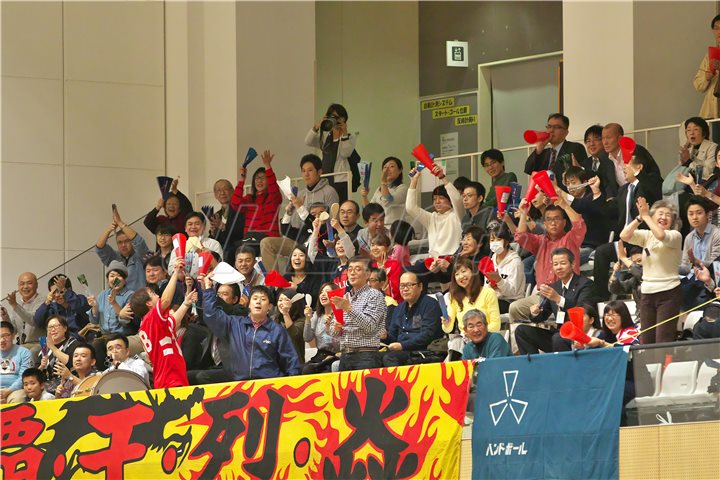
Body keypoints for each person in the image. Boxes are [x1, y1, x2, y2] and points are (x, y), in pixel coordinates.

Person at [200, 274, 300, 380]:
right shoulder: (235, 324)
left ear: (270, 307)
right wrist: (208, 289)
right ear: (249, 305)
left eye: (263, 299)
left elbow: (291, 362)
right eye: (255, 298)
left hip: (269, 384)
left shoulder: (277, 331)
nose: (258, 302)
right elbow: (212, 315)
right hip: (241, 384)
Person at [592, 153, 663, 300]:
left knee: (638, 259)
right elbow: (609, 211)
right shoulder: (623, 190)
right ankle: (601, 299)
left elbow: (654, 189)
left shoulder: (647, 185)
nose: (624, 168)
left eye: (627, 164)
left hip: (643, 239)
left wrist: (638, 173)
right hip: (625, 239)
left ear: (639, 167)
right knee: (601, 252)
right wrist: (596, 192)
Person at [509, 195, 586, 323]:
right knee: (515, 308)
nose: (553, 223)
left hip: (566, 293)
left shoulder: (570, 239)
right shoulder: (539, 241)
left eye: (557, 219)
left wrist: (565, 205)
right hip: (543, 296)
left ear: (564, 222)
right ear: (544, 224)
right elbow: (521, 237)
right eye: (549, 220)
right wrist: (523, 213)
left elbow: (579, 225)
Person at [260, 154, 339, 270]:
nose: (306, 174)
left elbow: (331, 223)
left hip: (320, 241)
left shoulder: (329, 192)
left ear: (319, 171)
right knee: (266, 243)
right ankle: (274, 280)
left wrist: (300, 207)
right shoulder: (301, 193)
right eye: (303, 171)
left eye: (310, 170)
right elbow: (290, 227)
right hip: (300, 238)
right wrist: (289, 212)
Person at [620, 198, 682, 344]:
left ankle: (666, 361)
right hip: (647, 293)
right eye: (660, 214)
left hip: (669, 292)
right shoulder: (647, 235)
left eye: (668, 215)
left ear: (673, 220)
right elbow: (624, 236)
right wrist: (640, 217)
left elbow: (661, 235)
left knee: (663, 340)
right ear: (653, 218)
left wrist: (646, 215)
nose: (663, 217)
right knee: (647, 340)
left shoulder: (675, 236)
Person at [515, 248, 596, 354]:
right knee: (521, 331)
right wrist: (535, 313)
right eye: (555, 264)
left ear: (572, 264)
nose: (559, 267)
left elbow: (582, 312)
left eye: (563, 263)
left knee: (558, 337)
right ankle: (534, 363)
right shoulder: (554, 287)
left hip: (578, 335)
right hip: (559, 335)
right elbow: (542, 316)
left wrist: (558, 299)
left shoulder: (586, 284)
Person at [130, 259, 190, 389]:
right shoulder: (150, 318)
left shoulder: (150, 323)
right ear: (148, 303)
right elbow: (166, 300)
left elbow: (173, 322)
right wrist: (175, 272)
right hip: (170, 378)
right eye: (153, 294)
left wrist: (186, 303)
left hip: (169, 377)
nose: (157, 295)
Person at [329, 256, 387, 371]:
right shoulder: (345, 296)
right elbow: (332, 331)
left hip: (366, 355)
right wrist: (335, 328)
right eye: (350, 270)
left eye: (358, 269)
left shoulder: (375, 295)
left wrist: (349, 309)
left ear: (368, 274)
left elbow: (370, 326)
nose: (352, 273)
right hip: (345, 355)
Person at [382, 272, 444, 367]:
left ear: (420, 286)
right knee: (375, 357)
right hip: (401, 351)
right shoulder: (399, 308)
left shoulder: (430, 305)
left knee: (390, 358)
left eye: (409, 285)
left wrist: (402, 346)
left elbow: (427, 335)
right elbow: (392, 337)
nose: (405, 289)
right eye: (402, 286)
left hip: (422, 351)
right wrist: (385, 336)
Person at [231, 150, 283, 254]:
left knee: (247, 250)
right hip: (250, 239)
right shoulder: (249, 199)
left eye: (263, 178)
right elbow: (235, 204)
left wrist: (267, 166)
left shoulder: (273, 198)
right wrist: (242, 180)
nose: (259, 181)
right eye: (257, 178)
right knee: (231, 251)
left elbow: (273, 187)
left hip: (267, 239)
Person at [305, 103, 359, 203]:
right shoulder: (325, 137)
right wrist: (318, 125)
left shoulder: (349, 137)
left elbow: (345, 153)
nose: (335, 120)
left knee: (340, 207)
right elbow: (308, 141)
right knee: (326, 207)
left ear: (344, 119)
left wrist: (344, 133)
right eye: (332, 117)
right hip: (324, 179)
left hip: (341, 179)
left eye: (338, 117)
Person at [86, 261, 140, 359]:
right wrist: (94, 307)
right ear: (107, 279)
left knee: (109, 349)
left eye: (119, 276)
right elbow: (94, 321)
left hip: (122, 336)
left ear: (125, 279)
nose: (115, 278)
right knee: (93, 348)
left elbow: (125, 321)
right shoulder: (103, 295)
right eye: (112, 276)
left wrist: (114, 303)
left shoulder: (130, 295)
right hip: (105, 336)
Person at [406, 166, 464, 256]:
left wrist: (442, 177)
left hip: (451, 259)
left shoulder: (456, 215)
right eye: (434, 199)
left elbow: (457, 199)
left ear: (450, 200)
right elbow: (410, 208)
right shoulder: (431, 218)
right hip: (433, 260)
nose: (437, 202)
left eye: (441, 198)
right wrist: (413, 181)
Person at [564, 167, 613, 264]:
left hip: (591, 246)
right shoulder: (571, 203)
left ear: (584, 182)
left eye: (573, 183)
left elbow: (579, 205)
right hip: (575, 245)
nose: (570, 187)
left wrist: (558, 191)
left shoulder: (591, 197)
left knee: (564, 260)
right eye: (568, 183)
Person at [96, 205, 151, 291]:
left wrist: (120, 223)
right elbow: (99, 248)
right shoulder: (114, 258)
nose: (123, 245)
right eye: (120, 242)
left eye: (127, 241)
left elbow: (139, 242)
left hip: (138, 296)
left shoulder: (140, 255)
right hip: (118, 296)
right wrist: (109, 229)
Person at [443, 257, 501, 337]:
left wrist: (475, 333)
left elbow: (496, 325)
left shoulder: (488, 293)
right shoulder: (454, 297)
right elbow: (448, 329)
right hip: (465, 339)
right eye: (457, 274)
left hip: (487, 337)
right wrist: (446, 324)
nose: (460, 276)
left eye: (463, 271)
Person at [523, 113, 587, 179]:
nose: (551, 130)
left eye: (556, 127)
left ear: (566, 132)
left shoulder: (575, 148)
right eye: (549, 127)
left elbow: (583, 174)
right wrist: (539, 149)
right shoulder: (543, 153)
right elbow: (528, 170)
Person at [601, 123, 661, 188]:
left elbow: (652, 177)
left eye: (608, 138)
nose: (605, 142)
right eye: (603, 138)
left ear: (620, 138)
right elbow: (608, 185)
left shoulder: (636, 151)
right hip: (622, 193)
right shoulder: (604, 157)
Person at [1, 272, 45, 359]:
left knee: (29, 353)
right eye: (22, 284)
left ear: (36, 285)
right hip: (22, 345)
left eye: (29, 283)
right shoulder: (18, 303)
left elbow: (34, 320)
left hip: (39, 343)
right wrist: (5, 316)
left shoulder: (43, 301)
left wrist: (15, 305)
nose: (25, 287)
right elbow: (14, 330)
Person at [484, 223, 525, 313]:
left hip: (511, 301)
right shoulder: (490, 262)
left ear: (506, 242)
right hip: (494, 299)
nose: (495, 243)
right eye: (492, 240)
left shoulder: (515, 262)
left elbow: (513, 292)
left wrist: (499, 280)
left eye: (498, 239)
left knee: (485, 308)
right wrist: (490, 287)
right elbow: (486, 288)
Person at [167, 211, 223, 277]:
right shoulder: (179, 246)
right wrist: (178, 268)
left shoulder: (213, 244)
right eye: (190, 224)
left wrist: (206, 255)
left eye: (197, 224)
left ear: (204, 227)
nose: (193, 227)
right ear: (185, 228)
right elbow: (170, 271)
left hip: (207, 281)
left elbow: (221, 268)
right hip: (184, 282)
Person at [360, 156, 410, 229]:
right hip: (380, 227)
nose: (387, 170)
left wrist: (383, 182)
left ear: (400, 170)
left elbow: (388, 200)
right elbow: (370, 210)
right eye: (385, 167)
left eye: (391, 166)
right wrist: (364, 196)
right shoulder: (379, 189)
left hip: (396, 228)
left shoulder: (403, 188)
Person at [302, 283, 341, 374]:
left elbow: (340, 341)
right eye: (321, 292)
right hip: (320, 355)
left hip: (336, 355)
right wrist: (308, 319)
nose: (323, 294)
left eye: (327, 292)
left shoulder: (340, 315)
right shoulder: (317, 315)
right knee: (306, 369)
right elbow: (307, 338)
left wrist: (328, 328)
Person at [37, 315, 78, 396]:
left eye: (56, 326)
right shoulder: (44, 348)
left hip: (68, 384)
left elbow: (71, 363)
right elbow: (35, 373)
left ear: (65, 328)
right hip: (47, 385)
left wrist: (53, 347)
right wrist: (41, 367)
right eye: (50, 327)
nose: (53, 329)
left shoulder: (73, 344)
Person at [208, 178, 246, 263]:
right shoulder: (217, 214)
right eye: (219, 190)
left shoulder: (241, 210)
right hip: (220, 249)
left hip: (236, 247)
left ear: (232, 191)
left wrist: (222, 227)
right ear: (215, 195)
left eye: (225, 189)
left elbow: (240, 233)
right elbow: (213, 239)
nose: (222, 193)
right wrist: (214, 232)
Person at [693, 14, 720, 125]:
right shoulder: (709, 56)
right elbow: (698, 85)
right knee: (714, 136)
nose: (719, 32)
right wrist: (707, 78)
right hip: (712, 112)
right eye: (716, 28)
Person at [581, 125, 618, 198]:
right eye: (588, 141)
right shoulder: (584, 164)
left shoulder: (612, 159)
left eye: (596, 139)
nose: (592, 144)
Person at [0, 321, 32, 403]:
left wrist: (8, 391)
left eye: (5, 335)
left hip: (16, 391)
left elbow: (24, 377)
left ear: (13, 335)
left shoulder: (24, 353)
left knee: (17, 399)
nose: (2, 340)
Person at [275, 289, 306, 362]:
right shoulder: (275, 320)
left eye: (286, 300)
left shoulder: (302, 320)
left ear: (295, 302)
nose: (282, 303)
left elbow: (293, 334)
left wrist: (285, 313)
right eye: (280, 300)